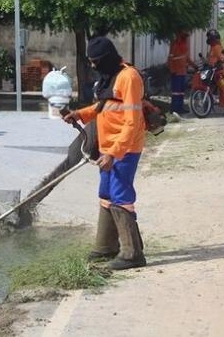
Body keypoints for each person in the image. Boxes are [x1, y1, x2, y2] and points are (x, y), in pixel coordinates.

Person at [63, 36, 147, 270]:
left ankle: (132, 254)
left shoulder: (129, 77)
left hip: (125, 147)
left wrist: (114, 153)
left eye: (95, 61)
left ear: (107, 59)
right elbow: (104, 106)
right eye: (90, 61)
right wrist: (80, 114)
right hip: (108, 146)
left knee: (121, 196)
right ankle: (105, 247)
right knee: (106, 193)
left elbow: (131, 122)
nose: (92, 65)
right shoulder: (109, 77)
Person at [167, 31, 198, 115]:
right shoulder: (176, 46)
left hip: (182, 72)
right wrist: (172, 70)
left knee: (181, 92)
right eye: (184, 37)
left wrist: (194, 66)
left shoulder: (184, 46)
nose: (186, 38)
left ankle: (180, 108)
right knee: (176, 92)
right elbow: (170, 59)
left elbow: (187, 58)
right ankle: (174, 109)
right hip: (176, 72)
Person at [206, 29, 224, 115]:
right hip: (212, 71)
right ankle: (210, 104)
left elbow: (222, 58)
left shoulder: (217, 47)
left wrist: (218, 62)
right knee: (210, 88)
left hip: (220, 71)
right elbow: (211, 59)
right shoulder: (213, 48)